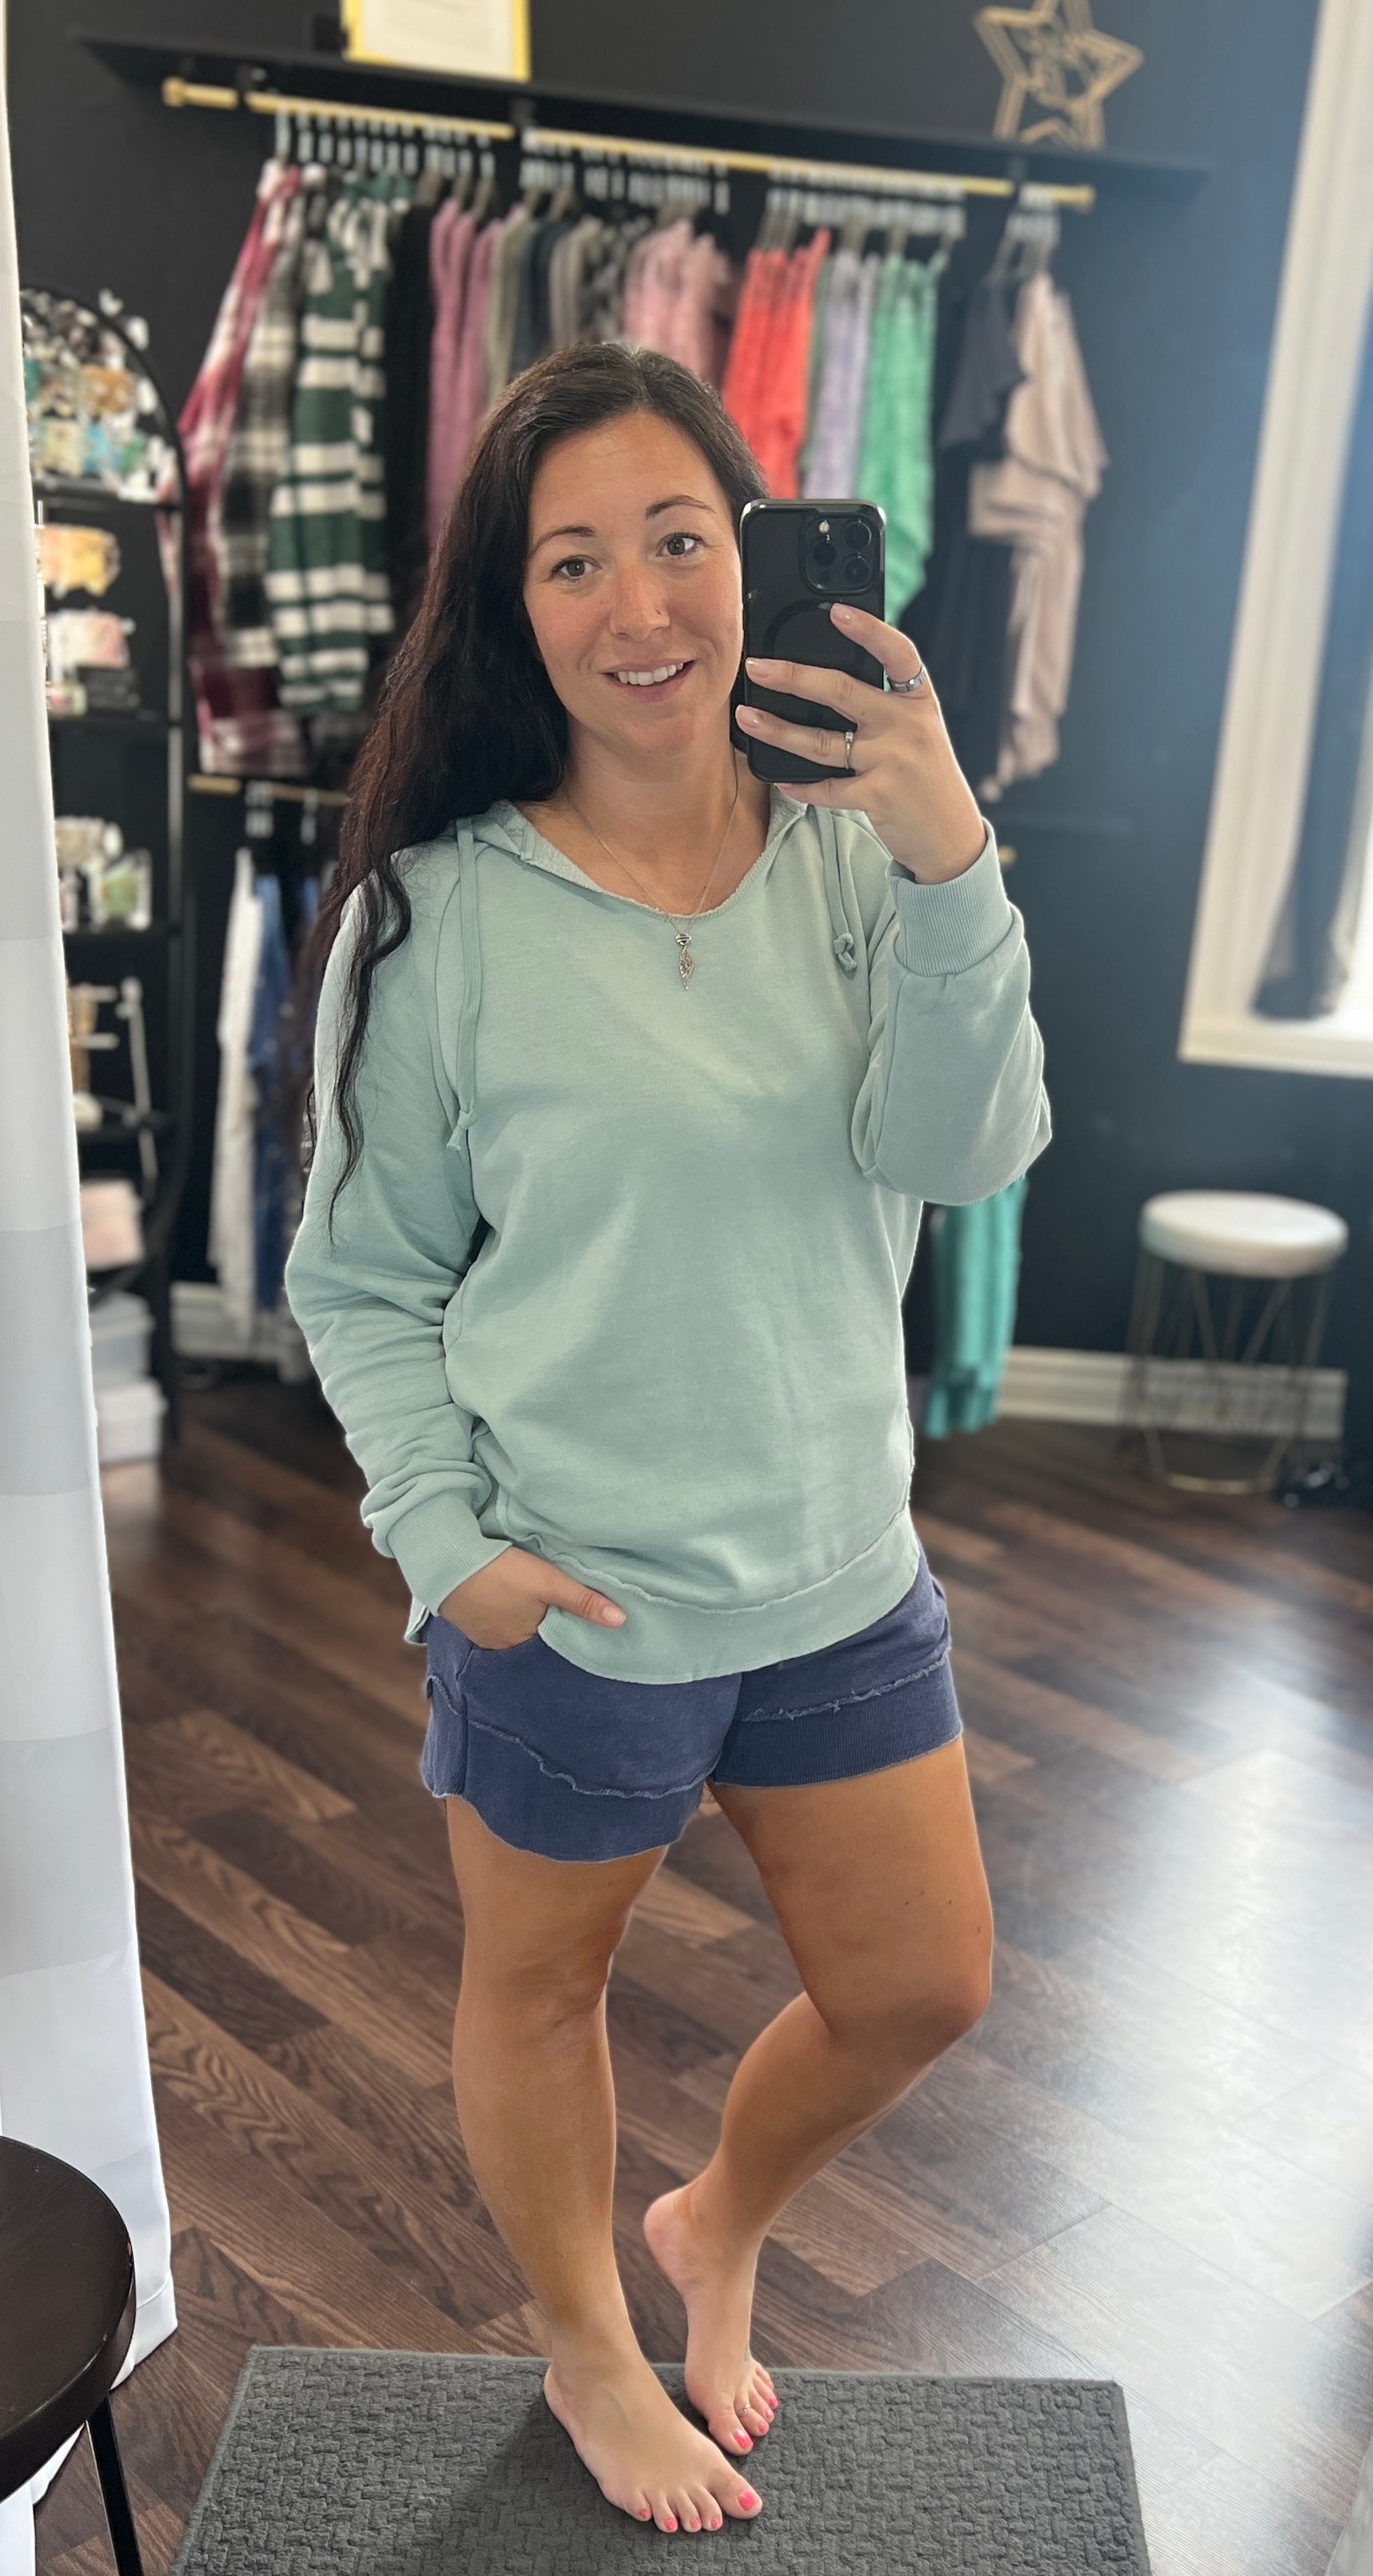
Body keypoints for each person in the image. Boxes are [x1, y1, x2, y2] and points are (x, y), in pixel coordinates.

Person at [284, 340, 1051, 2538]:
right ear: (508, 609)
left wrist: (947, 852)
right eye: (572, 560)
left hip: (835, 1570)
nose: (640, 605)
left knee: (920, 1984)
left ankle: (714, 2217)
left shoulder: (861, 860)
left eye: (681, 539)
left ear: (752, 558)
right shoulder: (436, 917)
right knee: (542, 1993)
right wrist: (449, 1544)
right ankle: (585, 2345)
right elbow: (361, 1278)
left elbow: (965, 1150)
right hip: (574, 1594)